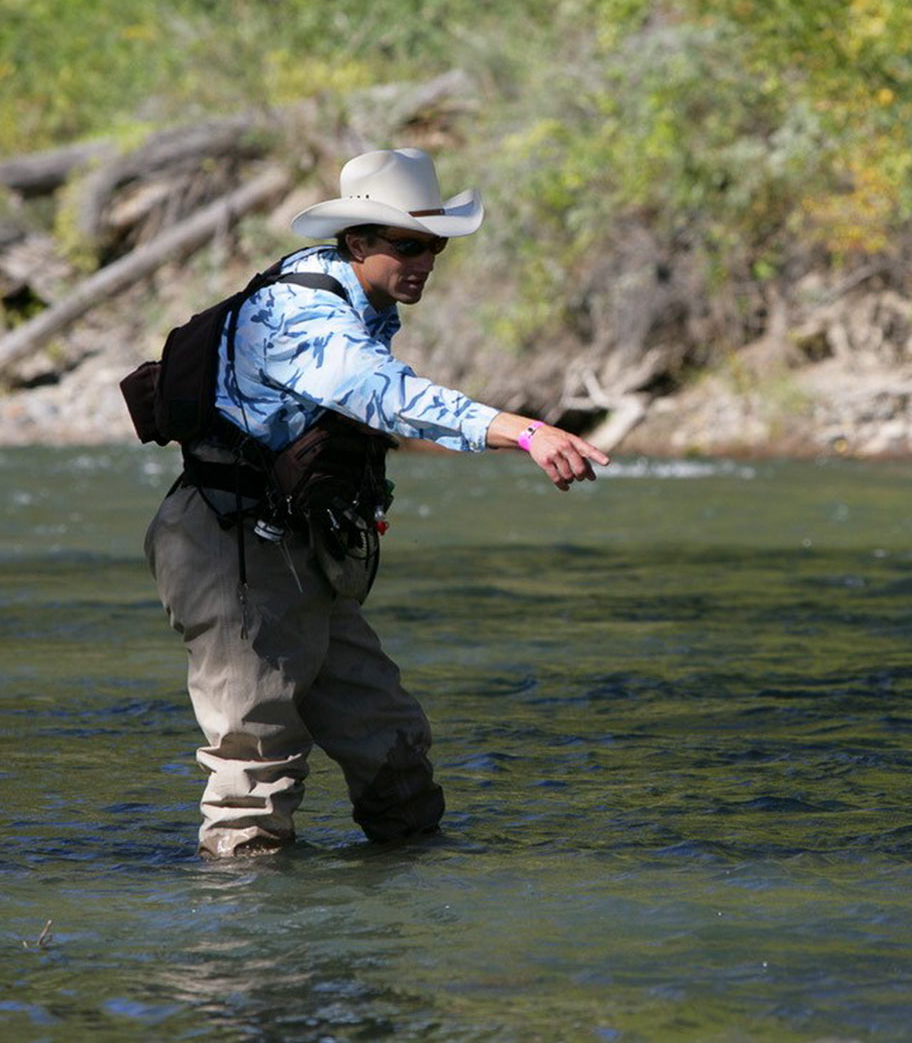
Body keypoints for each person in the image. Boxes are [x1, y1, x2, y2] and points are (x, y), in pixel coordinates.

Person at [144, 147, 610, 858]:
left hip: (296, 547)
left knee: (390, 742)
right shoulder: (302, 313)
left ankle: (406, 895)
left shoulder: (355, 302)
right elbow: (385, 395)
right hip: (227, 547)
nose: (424, 260)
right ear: (359, 241)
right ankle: (245, 945)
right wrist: (525, 431)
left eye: (435, 246)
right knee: (255, 762)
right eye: (408, 244)